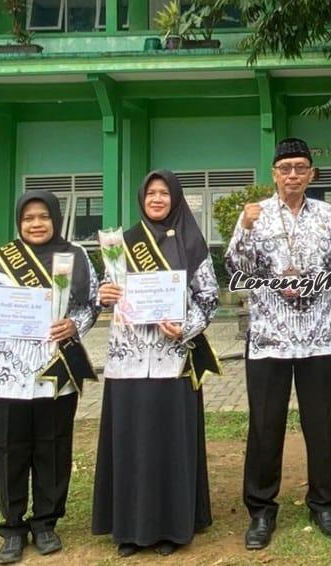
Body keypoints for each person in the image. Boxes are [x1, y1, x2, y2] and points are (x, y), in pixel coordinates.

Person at [226, 137, 331, 550]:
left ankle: (324, 504)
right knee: (265, 427)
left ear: (311, 173)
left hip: (317, 336)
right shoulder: (255, 214)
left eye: (301, 167)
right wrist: (244, 229)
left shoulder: (326, 216)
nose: (293, 175)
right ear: (274, 174)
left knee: (321, 425)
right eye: (286, 168)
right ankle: (262, 510)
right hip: (269, 338)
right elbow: (235, 268)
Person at [0, 191, 98, 564]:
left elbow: (90, 305)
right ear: (19, 223)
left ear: (55, 219)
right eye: (28, 218)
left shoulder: (76, 257)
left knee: (53, 447)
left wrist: (74, 324)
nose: (36, 224)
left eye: (43, 217)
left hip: (55, 370)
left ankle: (46, 522)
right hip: (5, 376)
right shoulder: (2, 261)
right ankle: (13, 527)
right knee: (9, 450)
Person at [92, 170, 219, 557]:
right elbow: (106, 290)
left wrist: (184, 328)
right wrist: (105, 294)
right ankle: (129, 529)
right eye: (151, 193)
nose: (158, 199)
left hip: (173, 360)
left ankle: (172, 528)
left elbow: (209, 298)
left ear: (176, 199)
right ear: (141, 198)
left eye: (165, 193)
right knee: (131, 442)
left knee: (169, 443)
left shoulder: (192, 242)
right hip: (128, 361)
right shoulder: (122, 242)